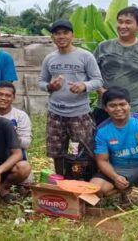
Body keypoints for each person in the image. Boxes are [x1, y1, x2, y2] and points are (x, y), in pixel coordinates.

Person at [39, 19, 103, 175]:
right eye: (57, 33)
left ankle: (81, 181)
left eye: (65, 33)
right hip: (55, 113)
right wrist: (49, 86)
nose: (61, 37)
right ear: (52, 37)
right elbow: (41, 81)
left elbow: (98, 80)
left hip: (79, 114)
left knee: (82, 151)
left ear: (72, 35)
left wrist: (84, 86)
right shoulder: (49, 58)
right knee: (56, 151)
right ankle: (60, 181)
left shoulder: (85, 56)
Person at [89, 86, 138, 215]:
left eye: (122, 104)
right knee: (96, 189)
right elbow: (102, 161)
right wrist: (115, 177)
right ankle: (124, 188)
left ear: (129, 105)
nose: (118, 109)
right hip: (119, 169)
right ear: (106, 108)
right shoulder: (102, 130)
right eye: (113, 105)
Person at [93, 7, 138, 125]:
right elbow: (91, 72)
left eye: (128, 22)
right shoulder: (103, 47)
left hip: (135, 107)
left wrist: (137, 92)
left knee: (136, 142)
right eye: (120, 21)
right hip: (105, 106)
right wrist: (102, 91)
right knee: (99, 140)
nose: (122, 26)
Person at [0, 81, 32, 155]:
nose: (3, 98)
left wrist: (11, 135)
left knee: (23, 166)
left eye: (8, 95)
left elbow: (26, 144)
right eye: (0, 94)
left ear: (13, 98)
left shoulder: (21, 116)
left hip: (13, 154)